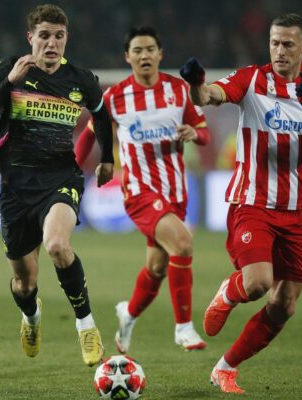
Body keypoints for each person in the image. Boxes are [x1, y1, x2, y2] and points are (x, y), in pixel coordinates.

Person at [180, 13, 302, 393]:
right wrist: (196, 85)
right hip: (253, 201)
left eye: (288, 44)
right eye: (274, 42)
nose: (279, 51)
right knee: (258, 283)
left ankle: (225, 367)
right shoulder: (252, 78)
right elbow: (210, 97)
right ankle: (229, 291)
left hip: (299, 211)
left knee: (284, 304)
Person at [0, 4, 114, 367]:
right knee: (24, 283)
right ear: (30, 38)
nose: (51, 44)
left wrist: (107, 157)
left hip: (60, 180)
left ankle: (87, 325)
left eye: (59, 36)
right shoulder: (9, 69)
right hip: (16, 189)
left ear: (66, 39)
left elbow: (101, 115)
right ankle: (31, 317)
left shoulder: (81, 79)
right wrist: (9, 83)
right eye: (44, 36)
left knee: (58, 245)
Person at [75, 26, 210, 353]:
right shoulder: (115, 97)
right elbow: (90, 134)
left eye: (150, 49)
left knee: (157, 267)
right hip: (139, 192)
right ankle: (184, 327)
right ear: (128, 56)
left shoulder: (178, 90)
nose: (144, 55)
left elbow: (203, 131)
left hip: (175, 193)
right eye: (137, 50)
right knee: (183, 243)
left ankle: (129, 316)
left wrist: (194, 133)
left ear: (160, 54)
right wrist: (68, 170)